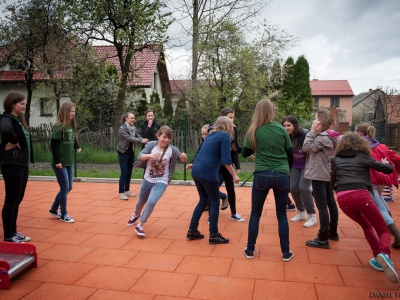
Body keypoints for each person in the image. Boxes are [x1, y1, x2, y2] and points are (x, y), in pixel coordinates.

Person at [331, 132, 399, 283]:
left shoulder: (335, 160)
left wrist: (341, 192)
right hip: (361, 195)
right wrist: (386, 164)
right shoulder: (362, 157)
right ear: (361, 144)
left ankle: (378, 259)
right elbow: (387, 170)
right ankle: (384, 254)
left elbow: (332, 180)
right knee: (382, 230)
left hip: (342, 198)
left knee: (366, 226)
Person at [242, 99, 294, 261]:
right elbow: (290, 154)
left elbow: (244, 153)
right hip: (281, 174)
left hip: (261, 175)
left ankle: (250, 250)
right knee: (281, 215)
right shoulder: (281, 129)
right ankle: (286, 252)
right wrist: (286, 171)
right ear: (272, 111)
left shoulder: (254, 130)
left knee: (255, 213)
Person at [187, 116, 240, 244]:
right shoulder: (225, 137)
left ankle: (192, 230)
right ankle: (214, 235)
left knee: (203, 200)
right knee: (215, 202)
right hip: (208, 172)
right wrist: (234, 175)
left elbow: (205, 153)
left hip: (197, 170)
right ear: (228, 127)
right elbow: (227, 161)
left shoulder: (210, 135)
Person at [126, 126, 187, 236]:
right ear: (158, 136)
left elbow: (182, 161)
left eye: (169, 138)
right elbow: (140, 156)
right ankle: (136, 214)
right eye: (164, 137)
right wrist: (150, 155)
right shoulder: (150, 145)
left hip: (162, 181)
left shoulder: (173, 150)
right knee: (141, 201)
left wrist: (184, 158)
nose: (166, 140)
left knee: (152, 201)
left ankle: (140, 224)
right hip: (147, 179)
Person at [355, 122, 400, 248]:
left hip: (370, 180)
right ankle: (390, 229)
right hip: (382, 179)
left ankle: (396, 235)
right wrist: (395, 173)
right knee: (380, 201)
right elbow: (397, 159)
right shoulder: (381, 145)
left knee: (378, 207)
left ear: (359, 133)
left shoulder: (360, 146)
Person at [302, 109, 340, 249]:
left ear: (321, 121)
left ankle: (323, 237)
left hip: (319, 174)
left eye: (316, 118)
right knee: (330, 201)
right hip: (327, 173)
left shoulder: (322, 137)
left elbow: (306, 147)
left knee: (322, 205)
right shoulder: (332, 136)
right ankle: (332, 231)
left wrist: (312, 131)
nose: (314, 120)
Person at [0, 91, 33, 243]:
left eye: (25, 104)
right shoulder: (6, 118)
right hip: (12, 164)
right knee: (12, 199)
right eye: (21, 104)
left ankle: (13, 231)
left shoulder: (18, 119)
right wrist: (14, 140)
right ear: (12, 104)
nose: (24, 106)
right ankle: (9, 235)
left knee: (18, 198)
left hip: (21, 163)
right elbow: (6, 130)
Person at [209, 108, 244, 221]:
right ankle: (211, 215)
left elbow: (234, 147)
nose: (232, 120)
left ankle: (234, 213)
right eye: (230, 118)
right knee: (213, 187)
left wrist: (237, 164)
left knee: (230, 187)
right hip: (216, 163)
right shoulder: (213, 129)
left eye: (233, 117)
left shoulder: (233, 128)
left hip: (227, 162)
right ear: (223, 118)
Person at [48, 101, 81, 223]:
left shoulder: (70, 125)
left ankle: (53, 208)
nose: (73, 113)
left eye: (74, 111)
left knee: (69, 187)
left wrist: (76, 146)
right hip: (59, 163)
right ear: (65, 112)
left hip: (68, 162)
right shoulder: (58, 126)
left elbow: (72, 139)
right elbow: (53, 145)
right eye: (72, 111)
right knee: (64, 187)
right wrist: (57, 161)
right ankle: (63, 214)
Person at [282, 115, 317, 228]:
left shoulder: (304, 134)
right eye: (284, 125)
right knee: (293, 188)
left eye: (289, 125)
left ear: (295, 125)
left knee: (303, 188)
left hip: (307, 164)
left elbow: (312, 148)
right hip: (295, 165)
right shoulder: (285, 136)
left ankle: (312, 215)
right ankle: (301, 212)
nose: (286, 128)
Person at [186, 124, 227, 211]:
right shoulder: (203, 145)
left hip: (217, 171)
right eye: (202, 134)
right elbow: (197, 157)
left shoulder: (217, 142)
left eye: (206, 134)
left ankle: (223, 197)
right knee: (207, 190)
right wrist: (192, 163)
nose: (204, 136)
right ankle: (208, 204)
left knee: (211, 191)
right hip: (206, 172)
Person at [117, 112, 148, 200]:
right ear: (126, 119)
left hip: (131, 153)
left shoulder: (133, 128)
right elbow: (129, 138)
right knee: (124, 172)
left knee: (130, 171)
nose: (133, 119)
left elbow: (138, 136)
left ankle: (127, 190)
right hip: (123, 152)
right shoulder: (122, 129)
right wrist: (141, 141)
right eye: (131, 118)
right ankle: (121, 192)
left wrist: (144, 140)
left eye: (134, 118)